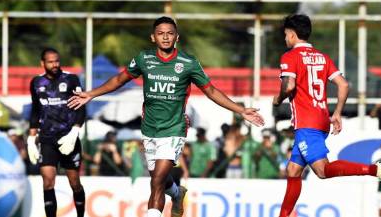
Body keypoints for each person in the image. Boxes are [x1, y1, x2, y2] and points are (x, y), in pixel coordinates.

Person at [67, 16, 264, 217]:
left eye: (170, 33)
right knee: (159, 179)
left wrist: (240, 110)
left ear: (176, 37)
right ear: (153, 37)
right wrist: (91, 93)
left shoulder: (188, 63)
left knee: (156, 182)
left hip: (174, 129)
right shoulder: (144, 59)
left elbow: (211, 91)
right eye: (161, 34)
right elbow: (119, 79)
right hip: (149, 129)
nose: (166, 37)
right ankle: (177, 194)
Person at [273, 14, 381, 217]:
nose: (285, 39)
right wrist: (336, 113)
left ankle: (376, 170)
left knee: (322, 171)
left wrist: (278, 99)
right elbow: (344, 84)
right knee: (293, 171)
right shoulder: (323, 57)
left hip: (306, 123)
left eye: (286, 35)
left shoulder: (289, 56)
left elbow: (289, 85)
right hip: (321, 119)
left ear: (292, 34)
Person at [26, 48, 86, 217]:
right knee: (48, 182)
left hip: (69, 138)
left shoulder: (71, 79)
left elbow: (81, 107)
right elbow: (35, 110)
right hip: (46, 139)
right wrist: (31, 138)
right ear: (42, 63)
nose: (55, 64)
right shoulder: (36, 83)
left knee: (74, 183)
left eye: (57, 61)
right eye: (51, 61)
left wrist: (74, 132)